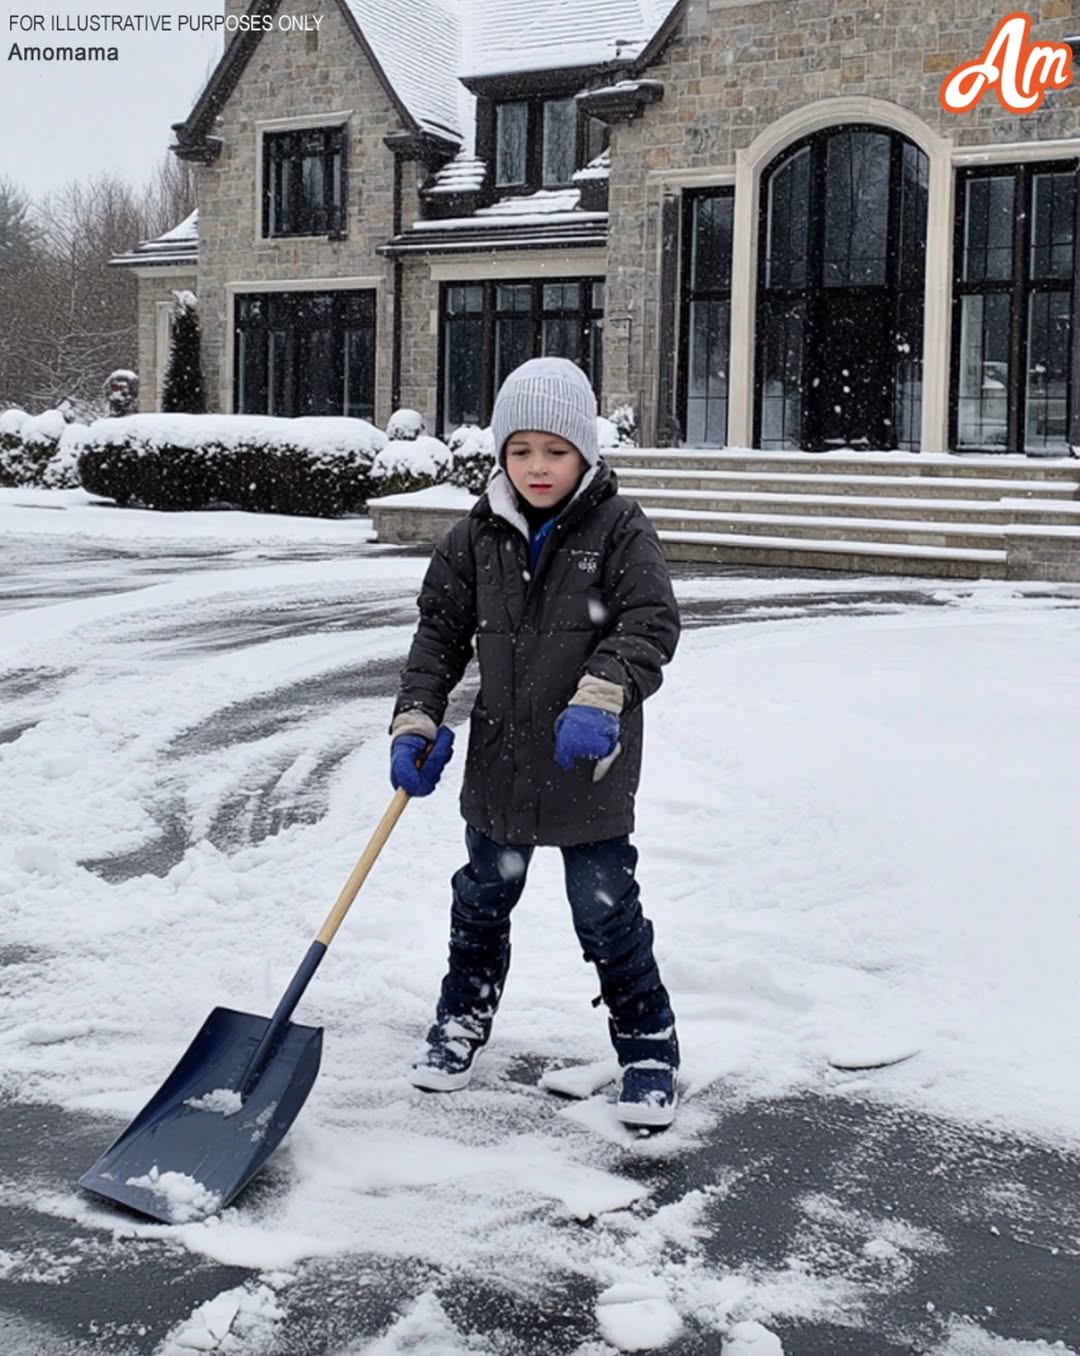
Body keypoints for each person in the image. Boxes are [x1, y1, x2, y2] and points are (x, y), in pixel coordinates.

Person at [389, 357, 681, 1128]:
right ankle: (461, 1020)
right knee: (481, 900)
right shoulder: (471, 538)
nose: (537, 467)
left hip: (590, 761)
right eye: (521, 450)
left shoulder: (619, 529)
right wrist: (417, 719)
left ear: (586, 451)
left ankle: (648, 1043)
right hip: (503, 762)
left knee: (605, 910)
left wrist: (603, 693)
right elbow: (438, 639)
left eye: (555, 450)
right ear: (501, 453)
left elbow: (649, 621)